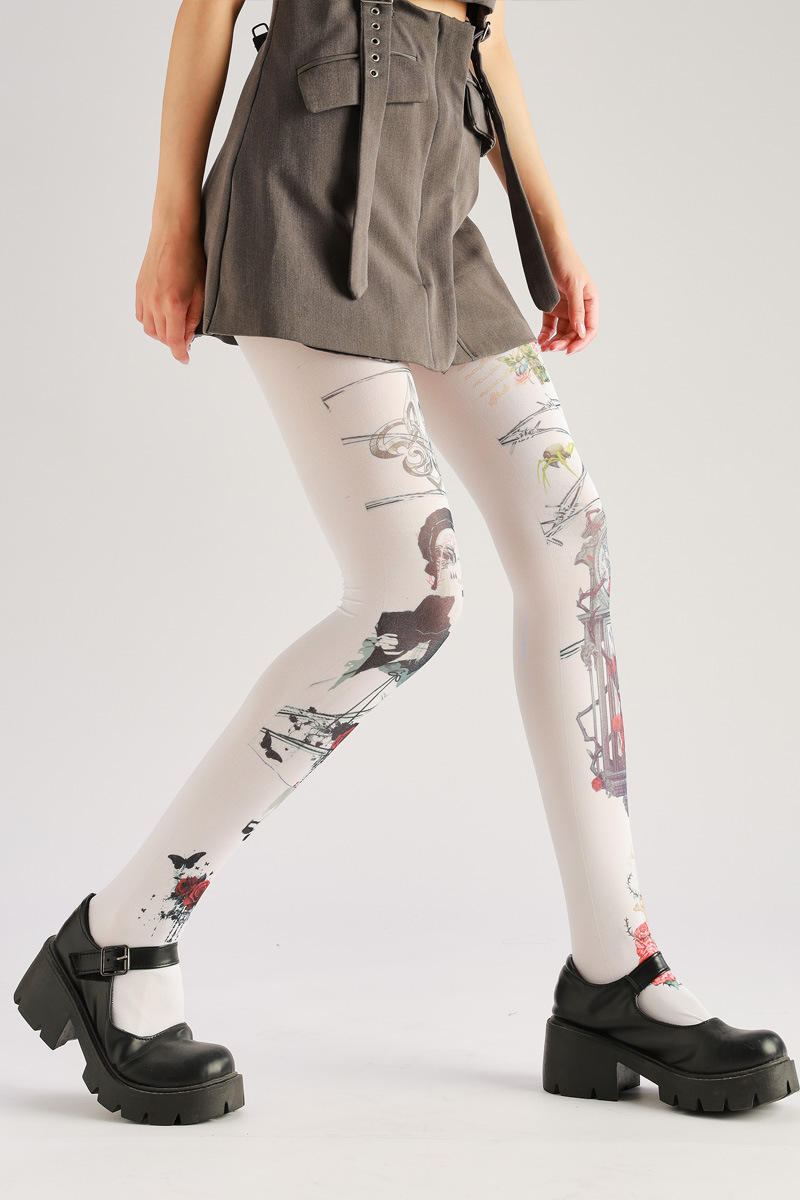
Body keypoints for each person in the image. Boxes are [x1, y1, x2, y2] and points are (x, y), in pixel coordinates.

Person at [13, 0, 797, 1125]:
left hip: (437, 194)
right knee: (408, 596)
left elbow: (488, 31)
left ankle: (613, 972)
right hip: (311, 179)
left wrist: (550, 227)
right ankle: (121, 931)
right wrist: (172, 226)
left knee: (572, 547)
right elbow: (206, 9)